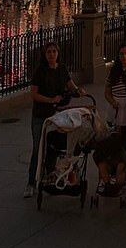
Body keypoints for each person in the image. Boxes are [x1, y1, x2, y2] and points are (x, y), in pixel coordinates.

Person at [24, 42, 84, 198]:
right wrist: (51, 100)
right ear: (44, 55)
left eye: (54, 51)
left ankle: (49, 176)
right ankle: (31, 182)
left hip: (56, 116)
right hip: (40, 115)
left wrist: (78, 91)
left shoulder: (62, 69)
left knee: (52, 147)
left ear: (58, 53)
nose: (51, 54)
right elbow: (34, 94)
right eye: (48, 52)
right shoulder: (40, 71)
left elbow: (70, 85)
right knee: (38, 149)